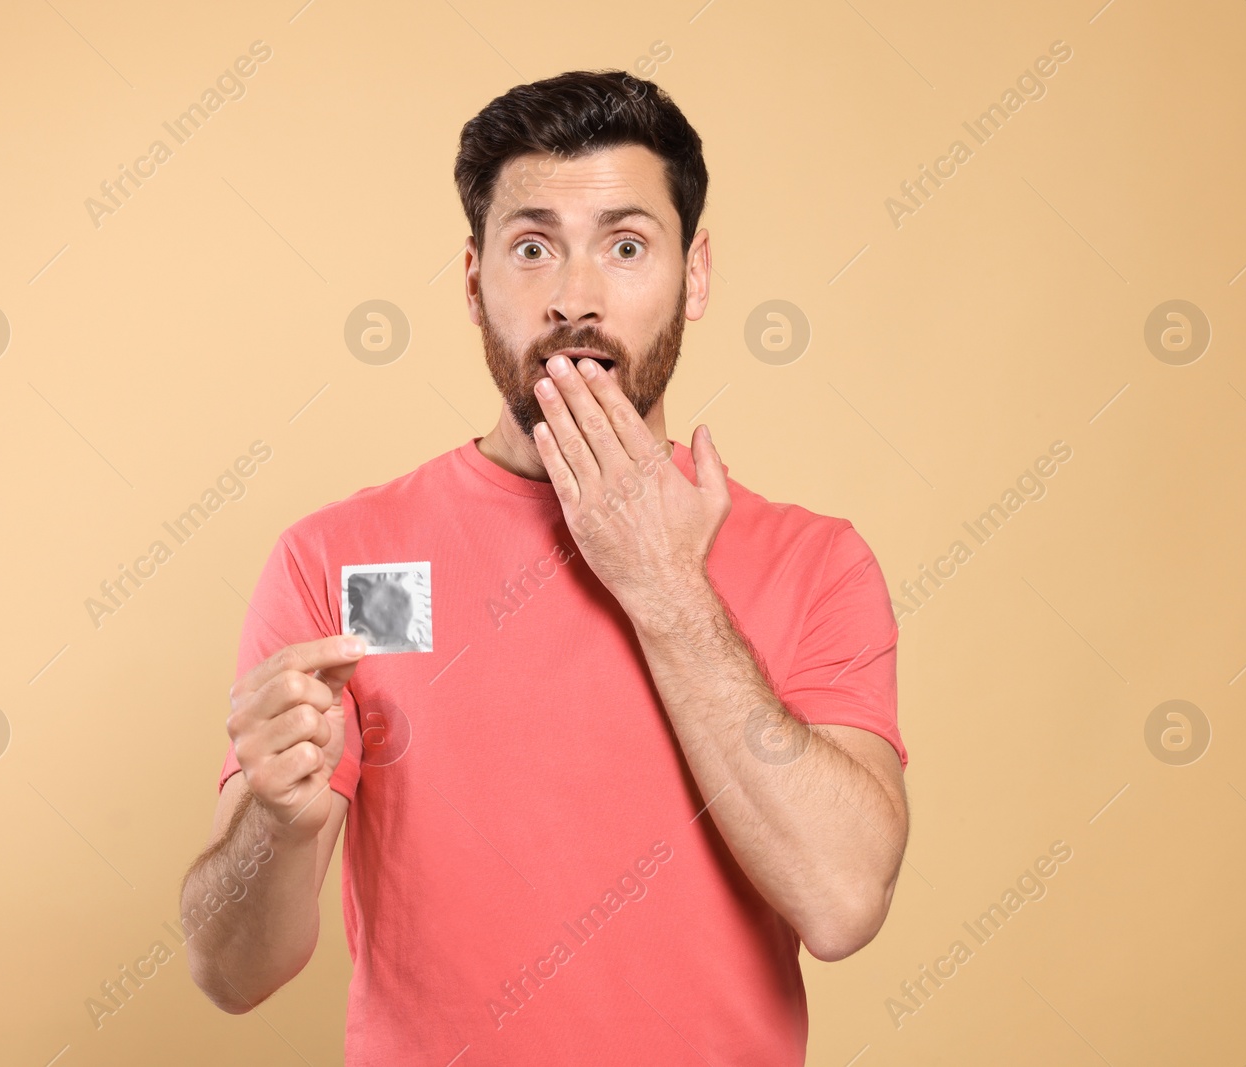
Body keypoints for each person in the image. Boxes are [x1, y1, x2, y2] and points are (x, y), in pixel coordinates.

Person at [180, 69, 910, 1066]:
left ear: (693, 275)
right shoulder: (351, 560)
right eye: (533, 248)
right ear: (475, 280)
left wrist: (662, 584)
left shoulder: (813, 561)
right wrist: (274, 819)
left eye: (624, 245)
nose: (574, 299)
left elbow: (841, 899)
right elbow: (231, 972)